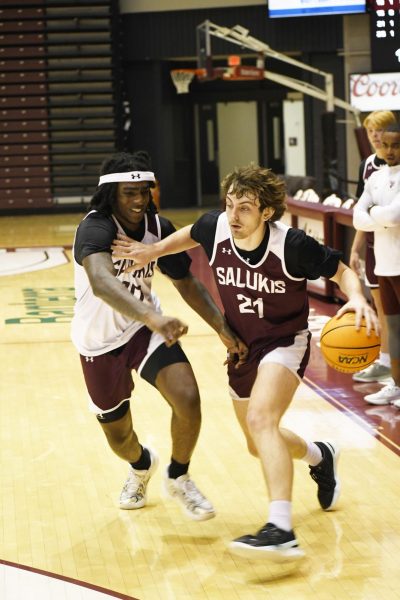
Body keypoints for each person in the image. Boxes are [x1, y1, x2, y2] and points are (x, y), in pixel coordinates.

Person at [112, 163, 378, 561]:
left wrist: (356, 297)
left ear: (266, 212)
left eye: (245, 208)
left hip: (285, 342)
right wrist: (151, 250)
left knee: (261, 420)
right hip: (242, 348)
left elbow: (340, 271)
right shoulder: (215, 227)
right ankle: (320, 455)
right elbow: (186, 237)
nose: (233, 216)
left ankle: (280, 528)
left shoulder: (291, 245)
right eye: (229, 204)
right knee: (258, 443)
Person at [71, 150, 247, 522]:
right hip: (99, 341)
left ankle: (178, 475)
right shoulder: (96, 228)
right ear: (111, 196)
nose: (138, 200)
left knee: (187, 397)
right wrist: (155, 316)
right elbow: (102, 283)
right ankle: (140, 466)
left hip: (143, 331)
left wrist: (222, 329)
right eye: (128, 193)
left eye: (144, 191)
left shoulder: (159, 227)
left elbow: (185, 281)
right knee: (120, 439)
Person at [353, 124, 400, 407]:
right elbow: (357, 217)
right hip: (384, 264)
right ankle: (396, 384)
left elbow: (394, 216)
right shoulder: (375, 178)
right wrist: (377, 215)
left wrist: (373, 214)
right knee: (393, 327)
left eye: (396, 145)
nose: (390, 151)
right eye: (385, 145)